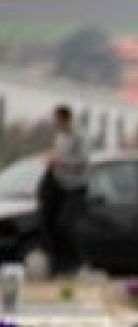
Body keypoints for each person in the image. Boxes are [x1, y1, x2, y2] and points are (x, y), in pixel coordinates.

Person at [37, 104, 88, 277]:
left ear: (65, 118)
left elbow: (82, 161)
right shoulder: (60, 136)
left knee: (64, 223)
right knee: (50, 224)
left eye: (57, 119)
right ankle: (59, 262)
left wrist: (60, 161)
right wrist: (52, 159)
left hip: (75, 187)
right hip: (60, 185)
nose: (55, 123)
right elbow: (58, 155)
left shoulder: (78, 136)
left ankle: (76, 260)